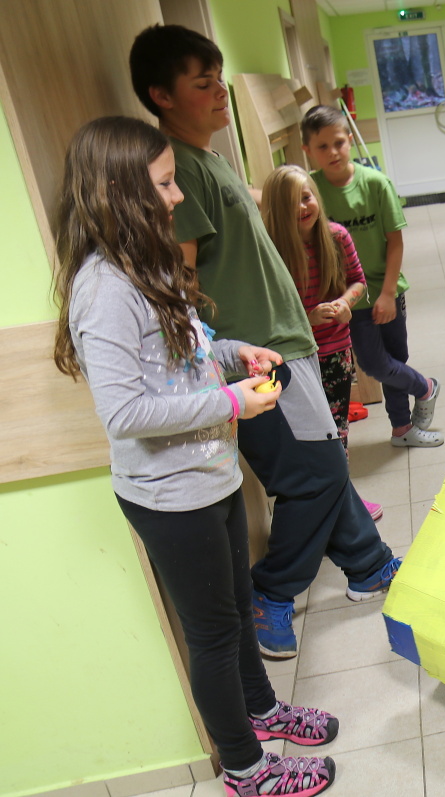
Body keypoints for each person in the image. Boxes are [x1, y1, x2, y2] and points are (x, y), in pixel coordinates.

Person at [53, 116, 336, 796]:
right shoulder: (103, 289)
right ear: (118, 191)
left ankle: (263, 710)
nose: (178, 196)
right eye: (164, 184)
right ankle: (245, 769)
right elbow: (125, 414)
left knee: (237, 610)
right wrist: (231, 402)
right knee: (212, 635)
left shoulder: (144, 261)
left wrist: (237, 353)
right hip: (169, 496)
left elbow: (186, 352)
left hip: (210, 476)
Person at [129, 25, 401, 660]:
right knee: (314, 474)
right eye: (203, 83)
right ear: (162, 95)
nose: (220, 92)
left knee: (321, 465)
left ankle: (368, 565)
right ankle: (272, 592)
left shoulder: (209, 160)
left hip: (282, 345)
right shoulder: (180, 171)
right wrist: (213, 363)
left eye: (220, 79)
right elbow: (182, 279)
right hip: (255, 355)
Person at [301, 105, 442, 449]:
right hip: (348, 298)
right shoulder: (310, 191)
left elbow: (395, 241)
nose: (333, 152)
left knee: (394, 359)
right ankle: (426, 387)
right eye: (322, 146)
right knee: (374, 363)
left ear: (349, 140)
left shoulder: (376, 184)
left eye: (338, 143)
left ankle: (402, 429)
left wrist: (388, 293)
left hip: (386, 289)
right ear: (308, 150)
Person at [260, 165, 383, 521]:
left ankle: (346, 505)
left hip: (335, 352)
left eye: (307, 197)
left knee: (337, 430)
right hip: (292, 359)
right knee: (307, 438)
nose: (303, 208)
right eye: (291, 203)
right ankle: (329, 504)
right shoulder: (270, 251)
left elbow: (358, 281)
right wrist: (307, 318)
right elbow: (269, 308)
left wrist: (345, 303)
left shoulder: (336, 237)